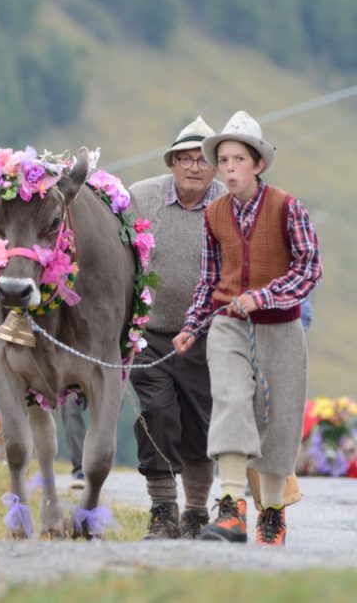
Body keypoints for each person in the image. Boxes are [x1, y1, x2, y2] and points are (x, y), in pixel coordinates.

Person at [173, 111, 322, 546]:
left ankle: (271, 512)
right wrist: (193, 325)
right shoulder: (214, 213)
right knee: (231, 399)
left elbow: (310, 268)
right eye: (223, 161)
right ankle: (232, 507)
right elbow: (208, 279)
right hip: (228, 325)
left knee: (280, 420)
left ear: (258, 164)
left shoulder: (287, 206)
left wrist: (266, 295)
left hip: (281, 327)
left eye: (238, 159)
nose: (229, 169)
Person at [128, 116, 226, 540]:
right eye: (184, 159)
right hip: (148, 332)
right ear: (171, 163)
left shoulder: (227, 204)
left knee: (200, 423)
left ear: (216, 168)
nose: (193, 167)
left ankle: (196, 512)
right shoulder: (140, 198)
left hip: (206, 333)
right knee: (158, 413)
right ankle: (163, 509)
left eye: (202, 160)